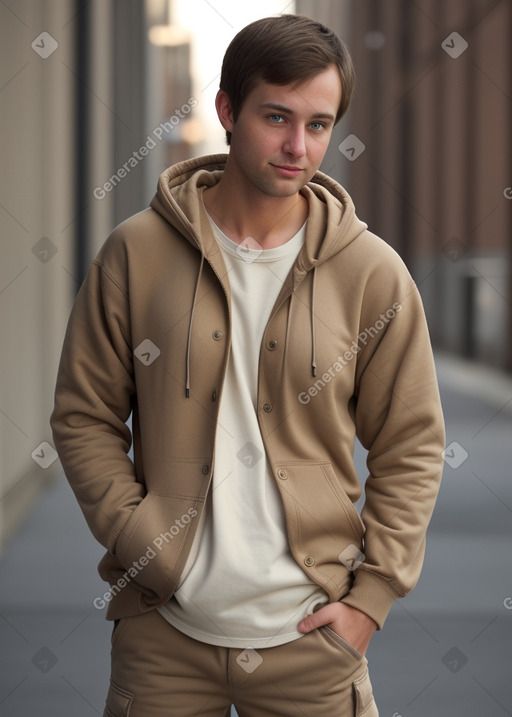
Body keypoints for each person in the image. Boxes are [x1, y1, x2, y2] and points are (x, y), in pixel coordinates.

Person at [51, 13, 445, 717]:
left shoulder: (371, 273)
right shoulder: (134, 254)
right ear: (228, 111)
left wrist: (370, 600)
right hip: (163, 637)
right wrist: (139, 537)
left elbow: (412, 444)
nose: (299, 146)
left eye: (320, 124)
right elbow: (84, 416)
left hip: (313, 640)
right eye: (277, 117)